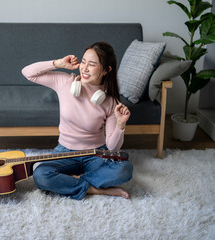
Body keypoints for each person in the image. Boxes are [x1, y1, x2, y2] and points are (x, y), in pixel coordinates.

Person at [21, 42, 133, 200]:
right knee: (40, 174)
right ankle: (96, 189)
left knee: (125, 169)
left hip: (95, 154)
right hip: (65, 152)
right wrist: (58, 63)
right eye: (84, 62)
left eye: (92, 64)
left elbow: (112, 147)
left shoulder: (111, 102)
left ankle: (69, 182)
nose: (85, 68)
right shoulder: (66, 83)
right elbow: (27, 72)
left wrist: (121, 125)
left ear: (106, 70)